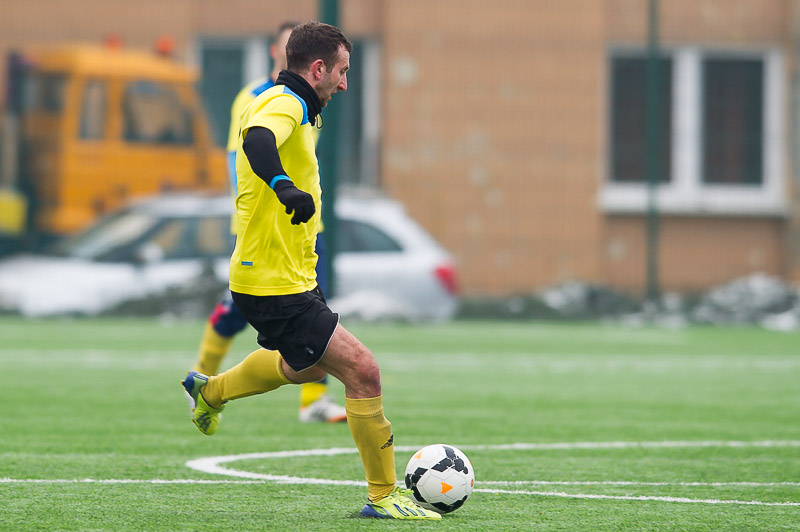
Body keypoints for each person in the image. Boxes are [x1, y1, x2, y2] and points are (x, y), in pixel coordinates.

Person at [181, 21, 441, 520]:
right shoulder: (286, 103)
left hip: (288, 276)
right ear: (318, 69)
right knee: (363, 370)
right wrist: (283, 185)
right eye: (342, 72)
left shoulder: (297, 105)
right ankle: (384, 495)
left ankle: (210, 390)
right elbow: (258, 140)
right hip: (273, 281)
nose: (344, 84)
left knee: (310, 367)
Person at [192, 20, 345, 423]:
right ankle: (203, 380)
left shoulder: (310, 101)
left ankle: (314, 401)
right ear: (279, 52)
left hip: (305, 230)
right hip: (264, 232)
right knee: (236, 314)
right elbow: (243, 155)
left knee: (318, 325)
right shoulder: (261, 98)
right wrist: (273, 194)